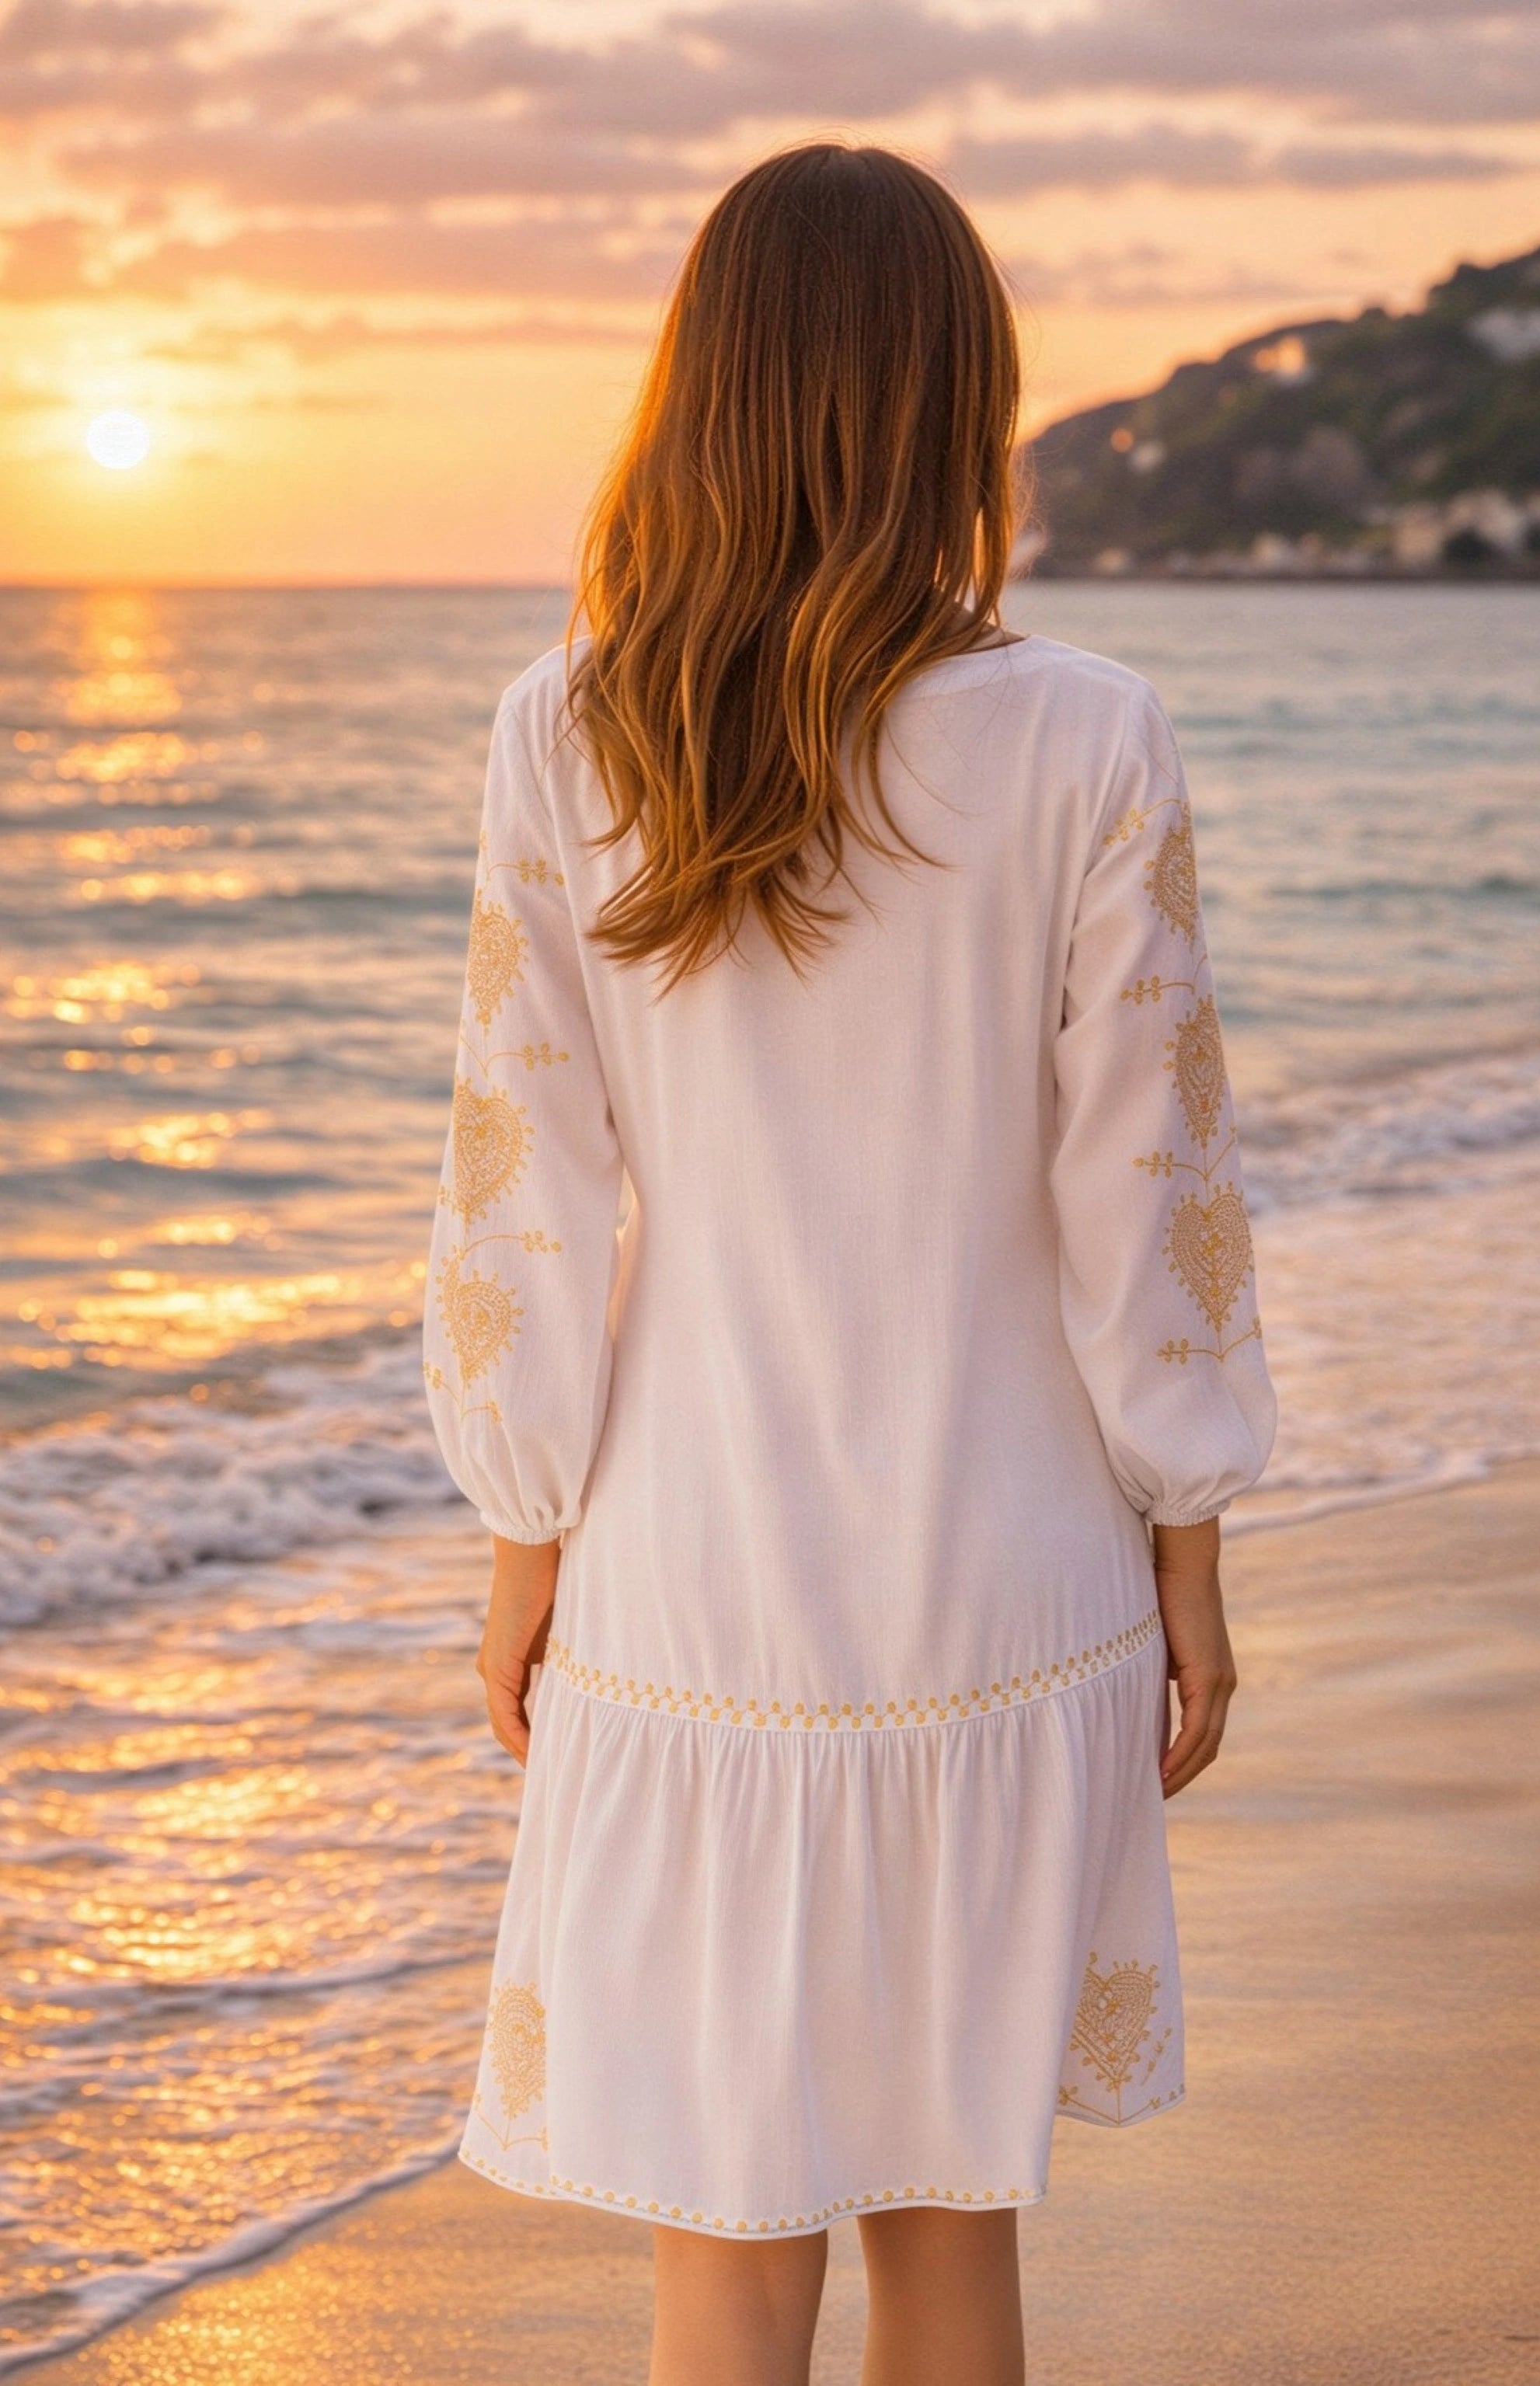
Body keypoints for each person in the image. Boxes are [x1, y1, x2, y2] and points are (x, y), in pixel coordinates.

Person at [422, 141, 1276, 2386]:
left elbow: (523, 1196)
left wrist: (526, 1532)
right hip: (1007, 1577)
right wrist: (1189, 1533)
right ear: (952, 405)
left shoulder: (570, 731)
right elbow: (1148, 1193)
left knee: (725, 2229)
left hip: (692, 1588)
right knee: (952, 2230)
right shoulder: (1090, 734)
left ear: (697, 395)